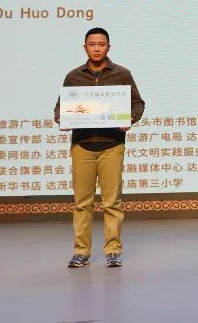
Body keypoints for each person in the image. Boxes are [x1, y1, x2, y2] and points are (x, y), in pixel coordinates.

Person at [54, 27, 146, 269]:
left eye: (101, 44)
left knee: (112, 201)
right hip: (82, 146)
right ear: (85, 47)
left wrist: (130, 119)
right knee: (81, 203)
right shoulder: (73, 76)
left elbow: (138, 104)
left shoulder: (121, 74)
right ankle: (81, 251)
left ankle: (113, 250)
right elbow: (60, 107)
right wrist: (62, 118)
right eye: (92, 44)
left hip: (112, 145)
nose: (97, 48)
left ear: (108, 47)